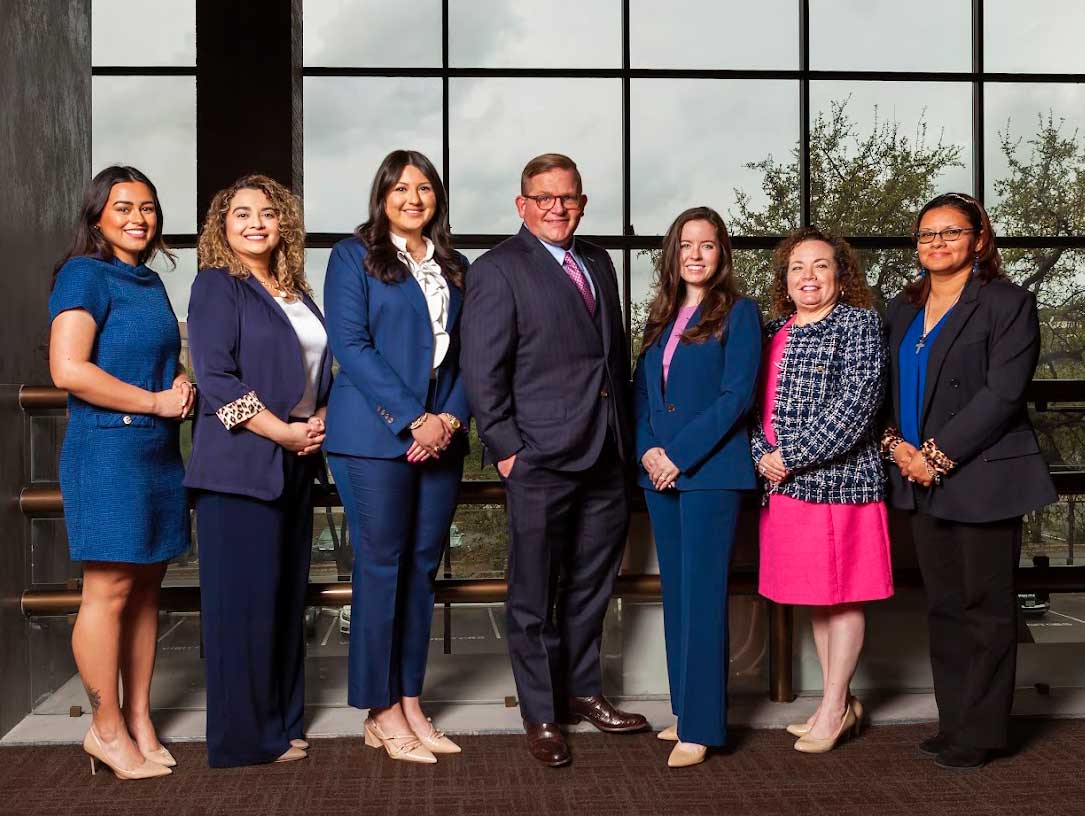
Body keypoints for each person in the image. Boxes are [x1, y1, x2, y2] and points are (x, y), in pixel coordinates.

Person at [461, 152, 647, 768]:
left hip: (605, 452)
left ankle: (583, 689)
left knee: (593, 585)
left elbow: (609, 359)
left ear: (583, 203)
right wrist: (508, 450)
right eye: (544, 198)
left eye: (568, 198)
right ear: (522, 206)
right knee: (534, 591)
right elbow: (483, 372)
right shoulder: (497, 270)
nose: (557, 208)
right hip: (539, 455)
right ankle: (541, 712)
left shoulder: (598, 261)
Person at [881, 192, 1056, 770]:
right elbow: (880, 385)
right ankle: (953, 721)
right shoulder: (902, 308)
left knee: (987, 607)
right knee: (945, 607)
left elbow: (1002, 396)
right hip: (917, 475)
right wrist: (896, 447)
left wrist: (935, 454)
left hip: (981, 476)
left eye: (951, 232)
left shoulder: (1008, 303)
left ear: (978, 239)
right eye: (927, 234)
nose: (937, 242)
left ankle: (981, 732)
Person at [323, 150, 469, 765]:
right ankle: (379, 710)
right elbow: (350, 345)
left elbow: (469, 354)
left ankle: (410, 698)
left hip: (441, 436)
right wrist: (413, 418)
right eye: (401, 187)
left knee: (420, 570)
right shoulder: (352, 256)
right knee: (380, 569)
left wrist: (449, 418)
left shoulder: (456, 267)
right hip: (373, 435)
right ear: (382, 193)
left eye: (425, 187)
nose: (414, 198)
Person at [48, 165, 192, 780]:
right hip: (106, 454)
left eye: (149, 207)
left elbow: (157, 358)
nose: (139, 217)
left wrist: (179, 382)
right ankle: (104, 729)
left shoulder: (149, 282)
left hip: (156, 453)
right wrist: (157, 401)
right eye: (124, 206)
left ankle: (139, 718)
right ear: (97, 215)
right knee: (106, 592)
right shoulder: (84, 274)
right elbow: (69, 369)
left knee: (144, 593)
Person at [185, 174, 332, 768]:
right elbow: (216, 379)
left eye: (267, 213)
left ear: (284, 224)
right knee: (241, 608)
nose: (255, 223)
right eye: (240, 213)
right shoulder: (216, 286)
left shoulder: (297, 290)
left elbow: (323, 371)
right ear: (222, 225)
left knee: (282, 601)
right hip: (239, 467)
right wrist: (283, 431)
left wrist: (318, 418)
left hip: (296, 463)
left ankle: (281, 722)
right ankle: (243, 740)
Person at [750, 227, 893, 754]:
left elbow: (857, 408)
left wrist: (789, 456)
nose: (808, 277)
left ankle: (834, 706)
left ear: (841, 275)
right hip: (782, 487)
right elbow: (751, 409)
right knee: (816, 595)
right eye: (797, 268)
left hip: (840, 485)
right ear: (784, 280)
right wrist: (760, 456)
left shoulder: (858, 325)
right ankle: (839, 700)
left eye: (820, 266)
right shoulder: (772, 330)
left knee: (845, 594)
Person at [632, 207, 761, 767]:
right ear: (673, 252)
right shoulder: (660, 316)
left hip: (710, 474)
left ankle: (705, 727)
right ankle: (685, 710)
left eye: (707, 245)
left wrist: (677, 456)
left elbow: (736, 398)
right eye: (686, 244)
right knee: (679, 596)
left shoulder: (741, 312)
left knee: (705, 598)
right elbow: (641, 397)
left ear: (721, 253)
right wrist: (647, 451)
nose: (695, 254)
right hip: (659, 473)